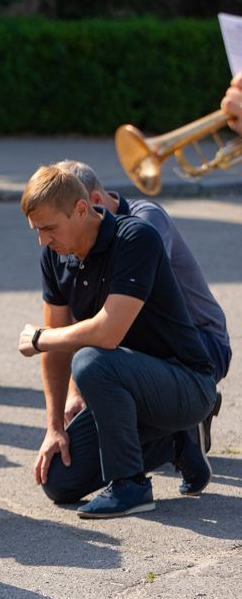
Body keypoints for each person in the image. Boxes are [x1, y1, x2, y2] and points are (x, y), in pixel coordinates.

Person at [18, 165, 218, 518]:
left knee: (91, 361)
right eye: (37, 231)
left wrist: (41, 338)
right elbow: (55, 349)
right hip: (129, 386)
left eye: (49, 229)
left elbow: (106, 333)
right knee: (60, 481)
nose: (43, 240)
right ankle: (175, 441)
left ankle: (131, 486)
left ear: (81, 210)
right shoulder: (54, 255)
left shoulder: (135, 237)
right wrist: (54, 428)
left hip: (186, 383)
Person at [57, 159, 229, 442]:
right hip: (153, 341)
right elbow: (79, 320)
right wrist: (72, 396)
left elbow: (129, 312)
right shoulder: (85, 243)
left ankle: (190, 409)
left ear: (94, 201)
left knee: (107, 362)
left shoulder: (145, 221)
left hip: (202, 343)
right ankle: (182, 416)